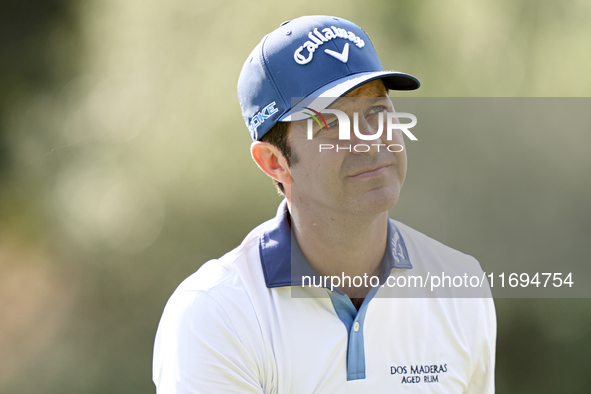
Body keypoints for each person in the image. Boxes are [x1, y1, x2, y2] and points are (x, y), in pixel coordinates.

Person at [153, 15, 496, 393]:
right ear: (274, 161)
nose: (370, 140)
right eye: (330, 122)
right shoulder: (215, 314)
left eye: (377, 111)